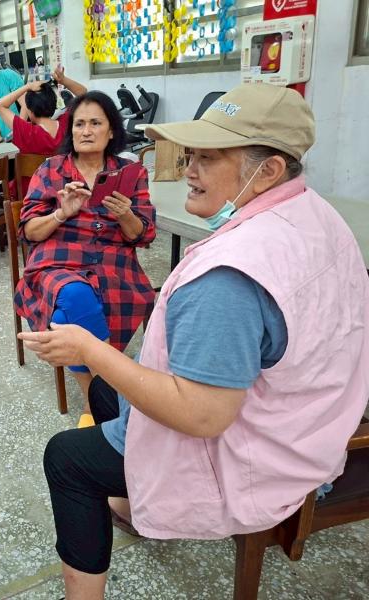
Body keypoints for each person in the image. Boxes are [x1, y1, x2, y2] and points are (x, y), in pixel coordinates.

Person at [20, 83, 369, 599]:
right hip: (310, 412)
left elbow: (203, 416)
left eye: (207, 158)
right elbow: (33, 229)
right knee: (103, 386)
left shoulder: (229, 277)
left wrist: (90, 351)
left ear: (268, 170)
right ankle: (131, 501)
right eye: (190, 155)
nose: (188, 170)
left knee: (66, 456)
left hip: (259, 449)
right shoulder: (318, 215)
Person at [14, 90, 156, 426]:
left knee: (66, 317)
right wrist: (61, 214)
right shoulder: (51, 170)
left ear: (111, 131)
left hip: (112, 262)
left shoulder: (130, 172)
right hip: (56, 258)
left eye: (95, 123)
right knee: (75, 294)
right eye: (79, 124)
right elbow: (30, 232)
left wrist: (125, 214)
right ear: (70, 130)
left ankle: (95, 404)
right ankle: (108, 394)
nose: (86, 131)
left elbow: (144, 235)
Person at [0, 66, 87, 156]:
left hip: (36, 172)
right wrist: (63, 80)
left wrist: (27, 87)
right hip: (67, 172)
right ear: (54, 104)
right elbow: (84, 94)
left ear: (30, 110)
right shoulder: (67, 123)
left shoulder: (26, 132)